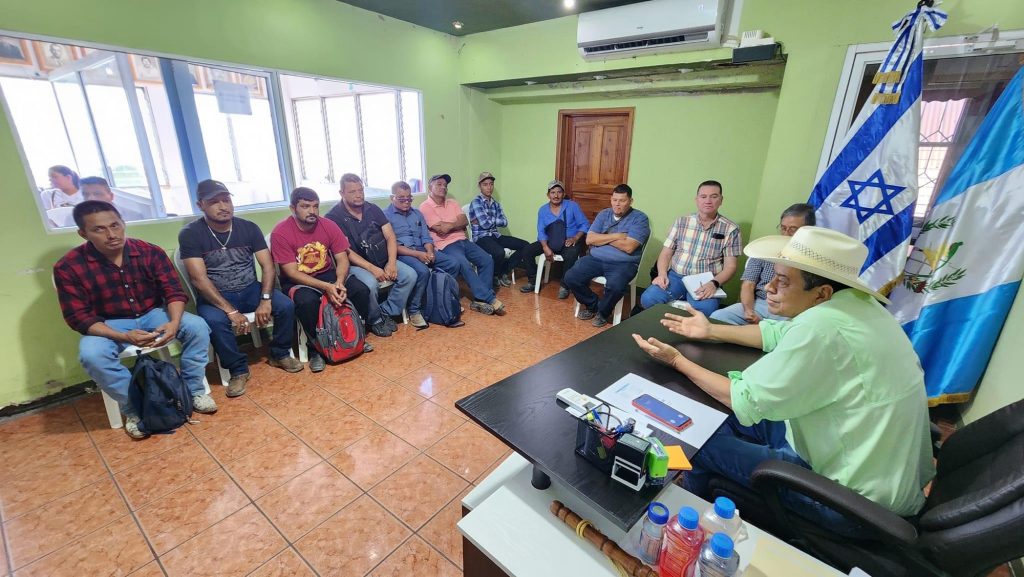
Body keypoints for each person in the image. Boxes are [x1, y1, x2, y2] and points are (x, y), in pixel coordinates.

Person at [632, 226, 935, 534]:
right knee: (713, 417)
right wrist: (710, 330)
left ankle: (689, 524)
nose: (769, 287)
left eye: (783, 280)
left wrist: (677, 361)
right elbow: (777, 333)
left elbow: (741, 398)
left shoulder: (822, 327)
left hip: (848, 501)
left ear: (821, 292)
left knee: (697, 440)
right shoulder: (859, 307)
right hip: (855, 460)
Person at [54, 200, 216, 440]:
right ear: (83, 233)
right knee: (92, 355)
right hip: (108, 323)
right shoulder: (69, 267)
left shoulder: (149, 252)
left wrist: (173, 323)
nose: (111, 235)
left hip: (153, 313)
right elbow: (78, 317)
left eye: (115, 225)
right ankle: (135, 409)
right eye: (99, 229)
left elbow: (173, 292)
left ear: (123, 223)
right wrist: (122, 336)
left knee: (197, 327)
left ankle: (193, 391)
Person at [178, 179, 303, 397]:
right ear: (200, 205)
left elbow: (267, 266)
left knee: (285, 305)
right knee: (214, 321)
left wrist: (265, 299)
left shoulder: (248, 228)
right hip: (216, 296)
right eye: (214, 202)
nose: (223, 206)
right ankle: (237, 370)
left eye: (226, 200)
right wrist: (230, 311)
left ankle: (280, 353)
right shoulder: (191, 234)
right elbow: (199, 280)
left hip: (250, 289)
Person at [270, 188, 373, 372]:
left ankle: (356, 336)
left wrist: (339, 282)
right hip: (298, 280)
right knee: (307, 302)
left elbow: (342, 258)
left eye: (315, 206)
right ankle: (315, 349)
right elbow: (291, 272)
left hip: (327, 274)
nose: (312, 211)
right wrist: (326, 287)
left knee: (360, 290)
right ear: (293, 208)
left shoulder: (328, 225)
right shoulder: (281, 232)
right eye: (305, 206)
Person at [325, 173, 416, 337]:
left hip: (382, 259)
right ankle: (375, 320)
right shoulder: (333, 217)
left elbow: (390, 236)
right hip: (356, 265)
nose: (358, 195)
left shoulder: (372, 209)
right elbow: (345, 251)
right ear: (341, 193)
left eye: (360, 190)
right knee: (370, 285)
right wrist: (371, 268)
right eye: (352, 191)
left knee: (409, 275)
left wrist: (391, 262)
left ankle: (386, 311)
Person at [639, 180, 742, 316]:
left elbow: (730, 267)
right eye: (703, 196)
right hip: (675, 276)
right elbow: (666, 253)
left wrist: (714, 283)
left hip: (706, 281)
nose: (708, 201)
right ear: (696, 200)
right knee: (648, 298)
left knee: (706, 310)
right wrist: (662, 274)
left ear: (721, 200)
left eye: (714, 196)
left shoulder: (731, 229)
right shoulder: (682, 222)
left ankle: (685, 328)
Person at [710, 203, 816, 325]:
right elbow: (748, 284)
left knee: (782, 331)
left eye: (793, 230)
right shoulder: (764, 250)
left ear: (808, 231)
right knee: (718, 317)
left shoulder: (815, 259)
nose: (786, 234)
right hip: (760, 304)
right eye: (783, 228)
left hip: (791, 309)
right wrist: (749, 311)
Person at [563, 184, 650, 327]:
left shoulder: (640, 218)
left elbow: (629, 247)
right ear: (611, 199)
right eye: (614, 200)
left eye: (622, 200)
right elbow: (589, 239)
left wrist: (602, 237)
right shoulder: (604, 214)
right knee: (570, 277)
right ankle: (593, 305)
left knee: (615, 286)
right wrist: (617, 236)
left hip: (623, 263)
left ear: (630, 201)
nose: (617, 204)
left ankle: (603, 313)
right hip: (595, 258)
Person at [419, 173, 505, 316]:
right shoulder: (425, 207)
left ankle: (479, 300)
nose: (443, 187)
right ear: (430, 187)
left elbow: (464, 221)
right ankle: (489, 298)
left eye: (445, 185)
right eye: (439, 184)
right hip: (445, 244)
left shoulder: (452, 202)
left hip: (463, 240)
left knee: (487, 259)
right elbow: (441, 229)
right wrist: (456, 224)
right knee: (463, 264)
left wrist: (450, 225)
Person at [383, 180, 447, 329]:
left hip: (421, 249)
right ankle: (414, 310)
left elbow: (426, 237)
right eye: (402, 199)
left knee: (452, 263)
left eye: (409, 198)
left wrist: (430, 251)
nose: (406, 202)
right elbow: (391, 245)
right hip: (403, 252)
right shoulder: (385, 216)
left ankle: (440, 301)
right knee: (423, 271)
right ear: (392, 198)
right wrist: (417, 254)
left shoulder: (417, 213)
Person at [519, 179, 590, 298]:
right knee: (527, 250)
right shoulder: (543, 210)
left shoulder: (572, 206)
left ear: (563, 194)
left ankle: (565, 285)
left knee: (571, 254)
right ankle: (533, 281)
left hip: (568, 241)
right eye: (552, 192)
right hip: (550, 240)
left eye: (559, 192)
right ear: (548, 195)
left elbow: (584, 224)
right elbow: (541, 231)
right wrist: (545, 247)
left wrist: (575, 238)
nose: (556, 195)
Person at [467, 172, 529, 288]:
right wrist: (493, 220)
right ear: (480, 186)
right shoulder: (476, 202)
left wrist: (488, 220)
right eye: (485, 184)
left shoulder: (496, 204)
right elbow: (485, 225)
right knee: (499, 252)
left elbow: (504, 222)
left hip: (495, 235)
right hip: (481, 237)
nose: (489, 187)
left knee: (526, 245)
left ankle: (504, 271)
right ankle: (495, 275)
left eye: (491, 184)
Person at [80, 176, 148, 222]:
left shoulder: (134, 217)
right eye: (86, 194)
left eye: (97, 194)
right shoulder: (76, 219)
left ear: (111, 196)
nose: (90, 198)